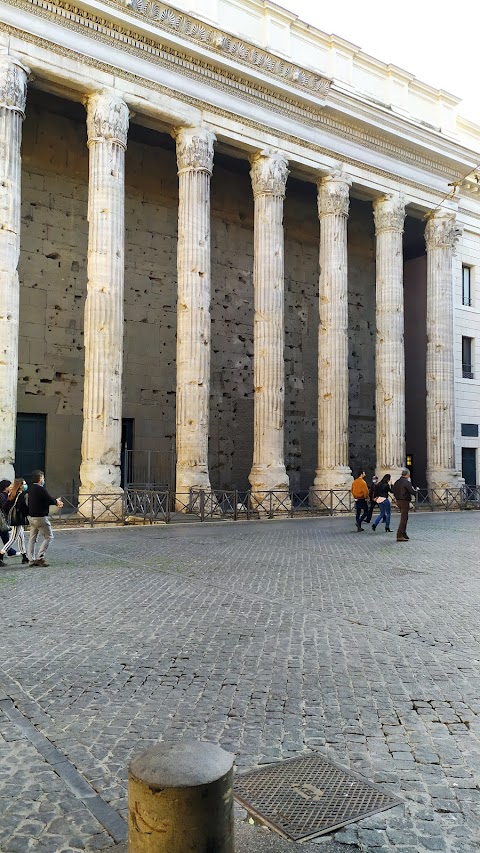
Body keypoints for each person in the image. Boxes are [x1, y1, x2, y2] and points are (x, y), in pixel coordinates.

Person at [27, 470, 63, 567]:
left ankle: (30, 559)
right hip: (40, 517)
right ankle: (40, 557)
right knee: (49, 537)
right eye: (42, 478)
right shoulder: (40, 489)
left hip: (31, 517)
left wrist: (55, 501)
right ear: (40, 479)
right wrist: (57, 502)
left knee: (32, 538)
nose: (44, 480)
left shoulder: (31, 488)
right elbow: (48, 499)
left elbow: (44, 500)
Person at [0, 479, 29, 566]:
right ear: (20, 486)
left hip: (15, 518)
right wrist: (27, 513)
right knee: (13, 538)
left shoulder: (12, 495)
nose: (25, 485)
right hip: (18, 518)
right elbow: (23, 507)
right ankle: (1, 554)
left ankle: (24, 556)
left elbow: (6, 507)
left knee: (21, 537)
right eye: (24, 484)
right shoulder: (20, 495)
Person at [392, 467, 416, 542]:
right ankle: (399, 535)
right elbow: (412, 491)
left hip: (398, 500)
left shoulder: (397, 482)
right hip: (404, 501)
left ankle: (403, 533)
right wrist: (416, 491)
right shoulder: (406, 482)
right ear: (407, 475)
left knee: (404, 517)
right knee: (404, 518)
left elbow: (393, 490)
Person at [0, 479, 17, 557]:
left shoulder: (6, 495)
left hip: (3, 519)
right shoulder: (2, 495)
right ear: (5, 487)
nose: (11, 487)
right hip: (1, 519)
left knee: (5, 534)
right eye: (10, 486)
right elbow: (4, 506)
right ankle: (9, 551)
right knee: (5, 534)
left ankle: (10, 551)